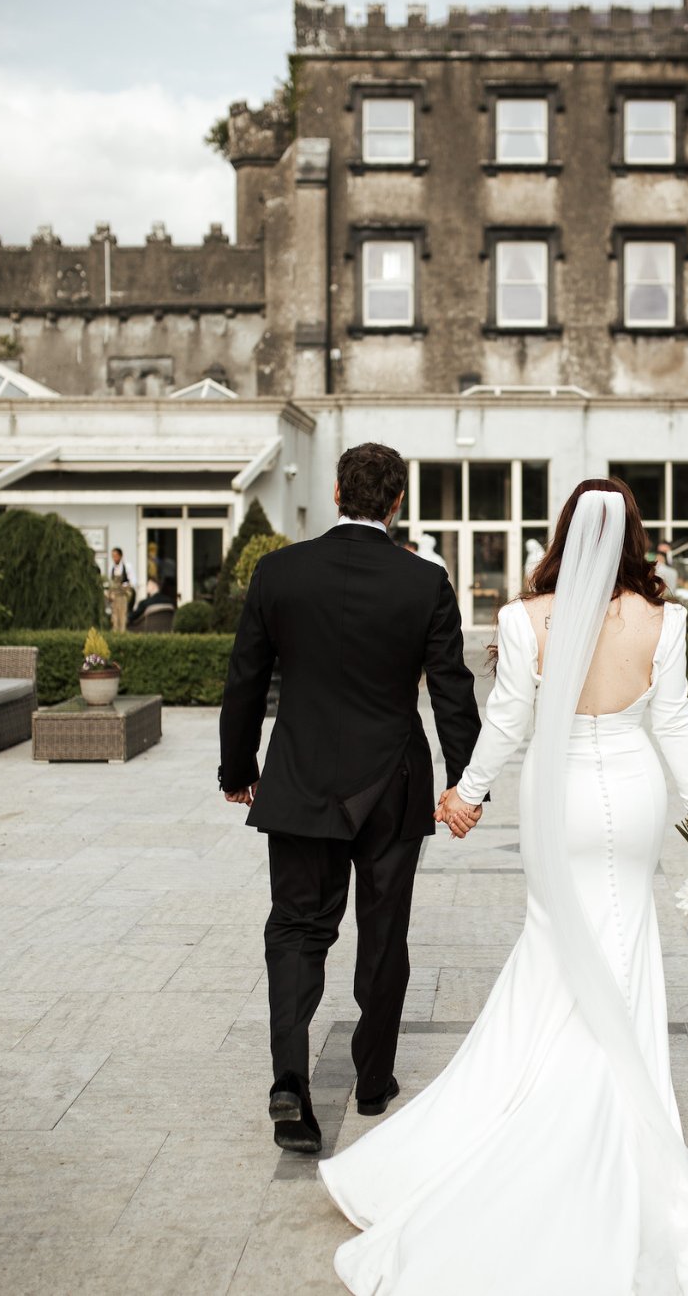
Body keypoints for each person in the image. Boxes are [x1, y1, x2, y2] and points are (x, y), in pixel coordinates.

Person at [318, 478, 688, 1295]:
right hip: (634, 796)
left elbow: (509, 720)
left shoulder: (526, 619)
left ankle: (537, 1109)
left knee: (556, 947)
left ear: (563, 532)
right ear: (636, 536)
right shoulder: (664, 621)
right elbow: (674, 722)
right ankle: (621, 1121)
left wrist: (467, 794)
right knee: (624, 950)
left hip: (557, 801)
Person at [218, 442, 481, 1154]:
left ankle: (289, 1083)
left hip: (302, 780)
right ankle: (372, 1080)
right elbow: (452, 689)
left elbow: (245, 681)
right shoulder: (423, 582)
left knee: (298, 928)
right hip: (391, 786)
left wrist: (237, 769)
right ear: (398, 502)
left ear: (336, 492)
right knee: (383, 930)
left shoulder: (279, 573)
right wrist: (465, 779)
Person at [106, 547, 135, 632]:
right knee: (114, 615)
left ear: (120, 556)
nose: (114, 558)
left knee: (122, 615)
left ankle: (122, 632)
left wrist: (124, 586)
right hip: (114, 596)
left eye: (116, 556)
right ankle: (115, 632)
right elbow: (110, 582)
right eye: (113, 556)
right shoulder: (111, 568)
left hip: (123, 595)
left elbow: (133, 581)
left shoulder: (127, 566)